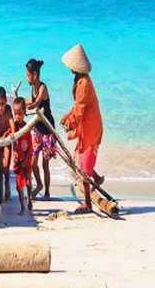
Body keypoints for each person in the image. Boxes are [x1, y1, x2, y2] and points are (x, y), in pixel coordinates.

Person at [60, 44, 105, 214]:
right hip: (89, 126)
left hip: (91, 128)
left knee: (82, 166)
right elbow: (78, 107)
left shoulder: (83, 83)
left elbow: (79, 110)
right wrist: (68, 116)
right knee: (81, 160)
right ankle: (98, 178)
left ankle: (87, 203)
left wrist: (70, 121)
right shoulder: (81, 80)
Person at [25, 59, 57, 200]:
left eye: (28, 75)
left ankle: (47, 193)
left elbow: (36, 103)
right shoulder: (32, 88)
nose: (27, 78)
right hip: (37, 128)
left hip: (48, 129)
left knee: (45, 164)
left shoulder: (43, 88)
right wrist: (19, 101)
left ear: (35, 75)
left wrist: (26, 106)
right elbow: (31, 103)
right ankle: (39, 184)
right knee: (33, 164)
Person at [11, 97, 33, 215]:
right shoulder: (13, 126)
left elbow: (30, 147)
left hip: (26, 159)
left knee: (28, 182)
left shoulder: (27, 128)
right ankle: (22, 207)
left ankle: (29, 197)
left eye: (20, 114)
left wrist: (25, 159)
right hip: (17, 161)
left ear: (25, 113)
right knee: (19, 185)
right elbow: (9, 134)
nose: (17, 117)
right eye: (15, 114)